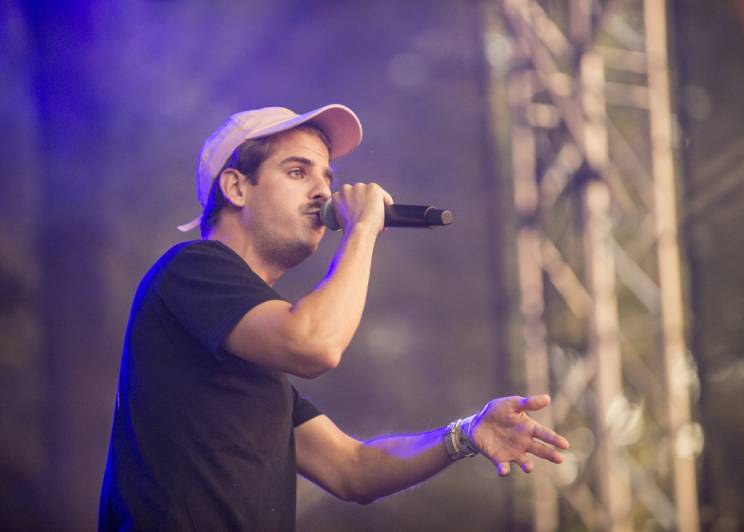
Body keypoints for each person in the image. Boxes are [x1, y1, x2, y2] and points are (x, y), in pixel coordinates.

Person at [98, 104, 570, 531]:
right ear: (237, 187)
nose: (324, 190)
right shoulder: (190, 269)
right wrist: (362, 229)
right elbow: (315, 345)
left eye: (327, 176)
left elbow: (352, 469)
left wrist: (465, 434)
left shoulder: (253, 359)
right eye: (298, 171)